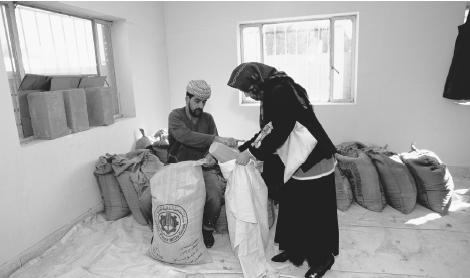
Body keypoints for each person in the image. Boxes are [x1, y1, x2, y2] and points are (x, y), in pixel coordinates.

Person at [227, 63, 339, 278]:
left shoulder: (278, 91)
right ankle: (296, 250)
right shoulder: (276, 88)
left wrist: (250, 152)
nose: (248, 95)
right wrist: (244, 147)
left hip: (312, 159)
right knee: (294, 205)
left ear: (255, 81)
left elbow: (279, 130)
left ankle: (322, 258)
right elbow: (268, 129)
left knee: (314, 211)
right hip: (298, 158)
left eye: (247, 90)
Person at [168, 79, 238, 248]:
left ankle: (207, 231)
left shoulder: (208, 119)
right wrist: (215, 138)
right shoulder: (175, 116)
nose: (200, 106)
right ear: (187, 98)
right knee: (150, 199)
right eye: (196, 101)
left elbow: (215, 147)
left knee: (214, 195)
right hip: (179, 166)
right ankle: (163, 232)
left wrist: (210, 157)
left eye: (204, 102)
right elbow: (185, 136)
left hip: (203, 168)